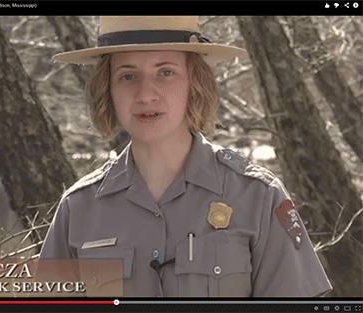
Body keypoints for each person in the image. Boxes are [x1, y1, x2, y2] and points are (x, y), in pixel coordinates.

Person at [39, 16, 333, 297]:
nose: (145, 94)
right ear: (108, 90)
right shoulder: (78, 210)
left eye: (165, 72)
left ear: (194, 82)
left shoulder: (258, 197)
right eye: (128, 76)